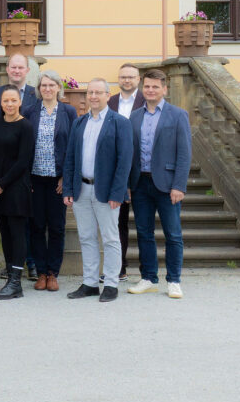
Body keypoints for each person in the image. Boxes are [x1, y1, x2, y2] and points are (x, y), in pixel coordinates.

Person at [62, 78, 133, 303]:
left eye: (98, 92)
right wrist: (68, 188)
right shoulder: (79, 122)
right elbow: (71, 157)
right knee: (86, 237)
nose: (93, 96)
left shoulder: (119, 123)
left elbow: (125, 161)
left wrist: (117, 193)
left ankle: (111, 284)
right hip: (81, 189)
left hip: (106, 191)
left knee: (111, 238)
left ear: (107, 95)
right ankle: (90, 282)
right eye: (90, 93)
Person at [127, 69, 192, 300]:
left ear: (164, 89)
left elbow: (184, 154)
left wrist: (179, 186)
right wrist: (128, 184)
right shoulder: (134, 117)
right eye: (147, 87)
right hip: (140, 183)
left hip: (167, 185)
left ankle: (174, 280)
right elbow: (130, 154)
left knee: (173, 234)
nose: (151, 90)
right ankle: (148, 278)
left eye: (155, 87)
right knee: (144, 233)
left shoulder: (178, 115)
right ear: (142, 89)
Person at [27, 70, 77, 292]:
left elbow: (74, 147)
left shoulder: (68, 112)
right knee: (37, 227)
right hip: (35, 179)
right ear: (39, 89)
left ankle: (53, 273)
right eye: (43, 85)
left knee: (56, 228)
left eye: (51, 85)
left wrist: (66, 177)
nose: (47, 89)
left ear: (59, 87)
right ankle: (40, 272)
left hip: (58, 180)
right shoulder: (29, 112)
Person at [0, 87, 35, 300]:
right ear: (1, 103)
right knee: (4, 233)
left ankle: (16, 282)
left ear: (20, 102)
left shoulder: (26, 126)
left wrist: (0, 184)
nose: (10, 104)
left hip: (15, 187)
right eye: (6, 101)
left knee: (17, 233)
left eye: (14, 100)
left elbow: (24, 161)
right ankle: (9, 275)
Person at [111, 63, 145, 281]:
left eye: (131, 77)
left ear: (138, 79)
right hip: (116, 172)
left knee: (143, 224)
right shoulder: (111, 101)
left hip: (141, 172)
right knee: (118, 223)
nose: (127, 80)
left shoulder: (147, 101)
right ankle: (120, 268)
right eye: (123, 77)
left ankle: (146, 272)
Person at [0, 53, 41, 120]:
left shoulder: (37, 95)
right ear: (7, 70)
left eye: (20, 68)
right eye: (13, 67)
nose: (17, 71)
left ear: (27, 70)